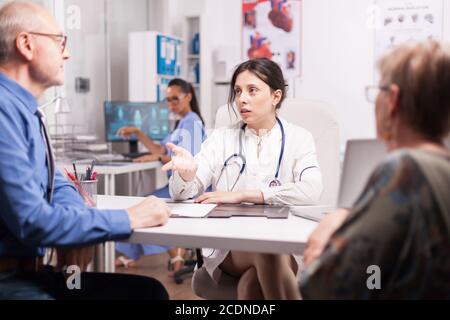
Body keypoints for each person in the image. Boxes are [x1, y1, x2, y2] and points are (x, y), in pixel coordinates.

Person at [0, 1, 171, 300]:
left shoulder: (24, 111)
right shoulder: (4, 111)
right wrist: (130, 218)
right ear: (26, 44)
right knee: (146, 296)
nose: (67, 52)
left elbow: (57, 181)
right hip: (10, 283)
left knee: (149, 291)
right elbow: (32, 222)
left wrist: (76, 217)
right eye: (59, 41)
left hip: (30, 270)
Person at [162, 58, 323, 299]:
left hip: (284, 242)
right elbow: (184, 192)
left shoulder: (299, 138)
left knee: (251, 287)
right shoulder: (220, 139)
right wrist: (186, 175)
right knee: (267, 250)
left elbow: (311, 189)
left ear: (275, 97)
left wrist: (244, 195)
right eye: (237, 91)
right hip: (230, 246)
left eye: (252, 90)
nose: (241, 99)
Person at [300, 40, 450, 299]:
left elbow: (322, 288)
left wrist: (325, 237)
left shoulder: (405, 171)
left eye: (377, 91)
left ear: (392, 99)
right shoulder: (441, 170)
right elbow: (378, 275)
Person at [115, 78, 206, 277]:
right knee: (145, 201)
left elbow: (187, 160)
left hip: (191, 188)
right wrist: (138, 133)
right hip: (177, 186)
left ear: (188, 96)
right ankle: (173, 257)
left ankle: (174, 257)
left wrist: (158, 156)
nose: (171, 104)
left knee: (148, 203)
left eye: (175, 99)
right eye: (168, 100)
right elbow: (159, 149)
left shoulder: (192, 122)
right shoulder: (181, 123)